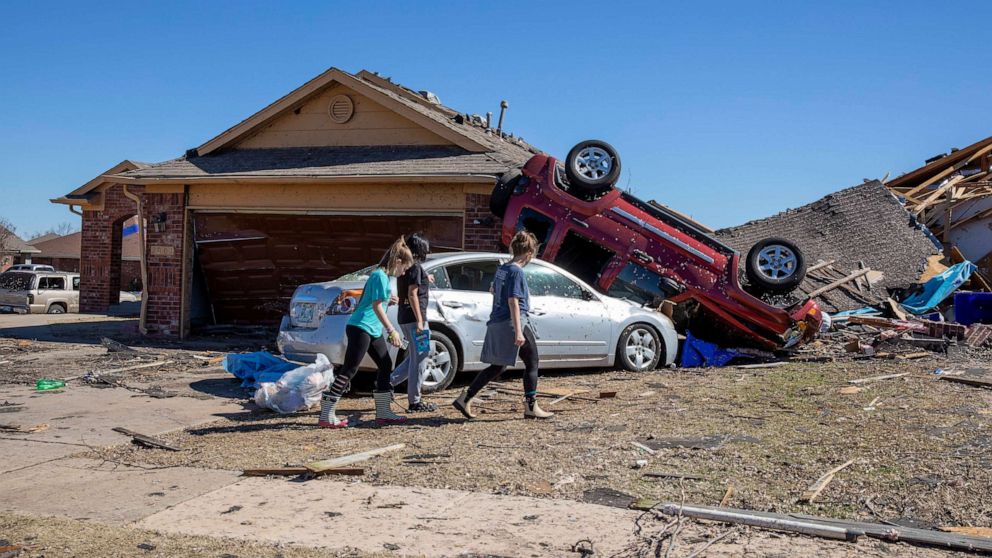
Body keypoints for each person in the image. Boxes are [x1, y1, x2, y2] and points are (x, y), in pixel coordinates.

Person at [453, 230, 553, 420]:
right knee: (532, 361)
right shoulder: (517, 271)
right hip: (513, 322)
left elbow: (493, 290)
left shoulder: (503, 268)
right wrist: (518, 331)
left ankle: (465, 397)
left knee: (498, 366)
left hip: (498, 321)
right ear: (530, 253)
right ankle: (531, 406)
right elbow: (513, 301)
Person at [318, 237, 414, 428]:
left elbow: (375, 298)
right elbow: (376, 305)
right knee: (350, 369)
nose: (403, 273)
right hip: (361, 327)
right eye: (404, 268)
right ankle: (326, 414)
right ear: (397, 262)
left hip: (371, 329)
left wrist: (389, 299)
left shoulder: (383, 277)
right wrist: (392, 330)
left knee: (386, 364)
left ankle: (384, 412)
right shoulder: (380, 275)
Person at [389, 233, 438, 412]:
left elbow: (414, 284)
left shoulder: (408, 267)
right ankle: (414, 401)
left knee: (416, 356)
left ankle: (388, 383)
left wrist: (427, 278)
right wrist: (419, 320)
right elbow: (412, 294)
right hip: (416, 319)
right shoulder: (415, 267)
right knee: (422, 356)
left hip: (404, 317)